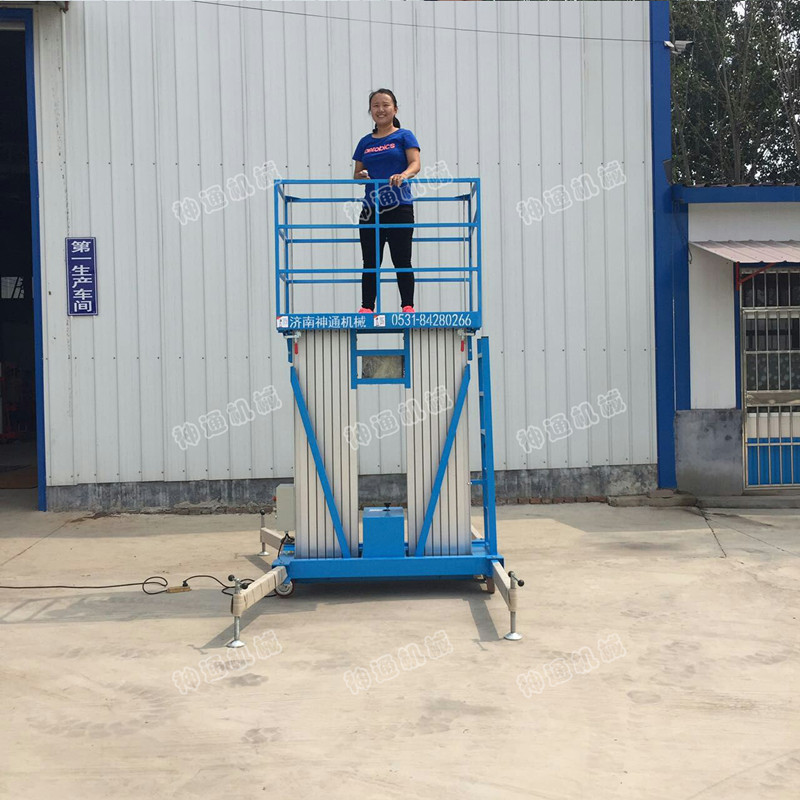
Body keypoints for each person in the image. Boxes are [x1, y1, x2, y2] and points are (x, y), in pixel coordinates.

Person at [352, 88, 421, 313]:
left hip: (399, 205)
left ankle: (407, 306)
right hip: (371, 208)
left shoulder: (404, 136)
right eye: (376, 106)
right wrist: (362, 176)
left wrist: (404, 175)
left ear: (395, 109)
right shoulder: (365, 142)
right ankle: (367, 307)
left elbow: (415, 164)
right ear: (370, 111)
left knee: (402, 258)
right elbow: (357, 174)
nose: (380, 109)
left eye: (385, 105)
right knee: (370, 261)